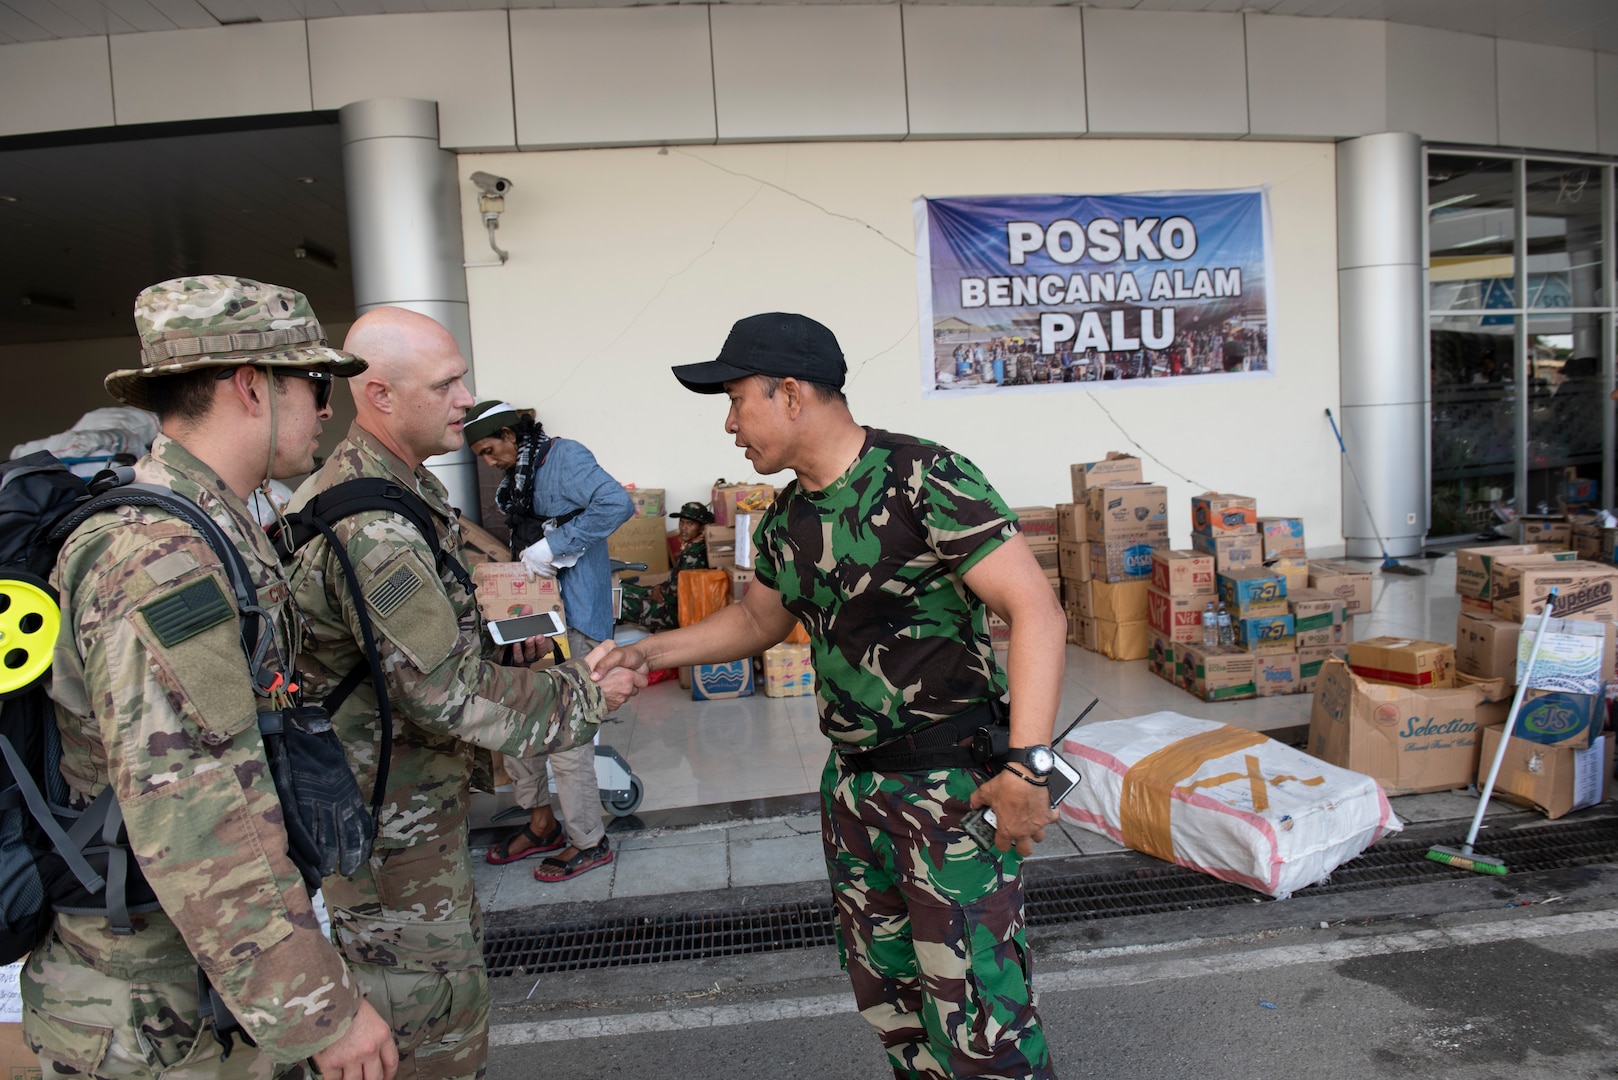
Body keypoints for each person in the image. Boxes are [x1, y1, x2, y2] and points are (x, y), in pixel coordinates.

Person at [592, 312, 1067, 1080]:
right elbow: (755, 619)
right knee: (893, 1001)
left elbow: (1036, 610)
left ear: (789, 392)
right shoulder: (786, 518)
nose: (729, 423)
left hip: (949, 786)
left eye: (736, 398)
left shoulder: (923, 477)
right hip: (854, 789)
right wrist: (645, 650)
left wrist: (1028, 767)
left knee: (979, 1015)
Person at [23, 276, 397, 1080]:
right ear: (251, 386)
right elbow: (194, 804)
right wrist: (317, 1009)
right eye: (317, 385)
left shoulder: (218, 525)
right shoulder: (157, 556)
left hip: (199, 983)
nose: (330, 408)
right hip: (154, 1014)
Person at [285, 307, 641, 1080]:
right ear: (378, 394)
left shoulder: (399, 489)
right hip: (389, 831)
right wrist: (583, 694)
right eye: (446, 383)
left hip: (413, 816)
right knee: (430, 1041)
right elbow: (443, 693)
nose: (464, 398)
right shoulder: (373, 522)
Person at [463, 400, 635, 879]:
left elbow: (617, 503)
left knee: (567, 732)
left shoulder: (565, 457)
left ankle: (588, 840)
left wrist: (555, 545)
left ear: (509, 434)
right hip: (530, 615)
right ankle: (541, 821)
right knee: (516, 719)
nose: (489, 460)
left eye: (490, 448)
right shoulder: (518, 477)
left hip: (575, 616)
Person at [617, 500, 715, 633]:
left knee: (617, 600)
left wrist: (655, 592)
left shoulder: (694, 554)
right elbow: (674, 583)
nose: (683, 528)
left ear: (701, 527)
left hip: (675, 611)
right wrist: (658, 588)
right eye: (682, 522)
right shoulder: (692, 546)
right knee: (620, 588)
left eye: (690, 524)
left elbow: (678, 594)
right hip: (669, 599)